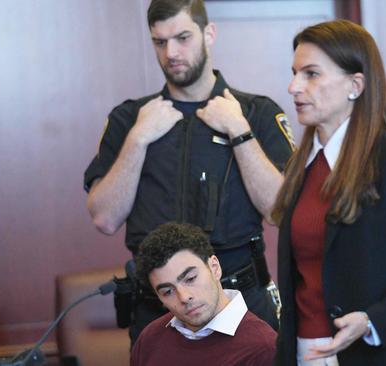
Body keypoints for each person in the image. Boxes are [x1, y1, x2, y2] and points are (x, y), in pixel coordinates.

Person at [84, 0, 293, 343]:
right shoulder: (129, 119)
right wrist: (138, 139)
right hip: (157, 307)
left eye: (183, 38)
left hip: (241, 298)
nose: (171, 53)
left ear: (209, 33)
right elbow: (104, 218)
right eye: (160, 42)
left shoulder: (256, 113)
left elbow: (279, 211)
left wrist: (239, 132)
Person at [272, 19, 386, 366]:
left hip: (383, 352)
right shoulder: (300, 166)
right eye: (294, 73)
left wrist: (372, 322)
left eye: (311, 74)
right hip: (306, 353)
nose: (294, 86)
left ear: (355, 84)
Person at [131, 222, 276, 366]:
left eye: (190, 279)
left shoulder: (263, 349)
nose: (184, 297)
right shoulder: (149, 340)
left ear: (215, 268)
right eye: (168, 292)